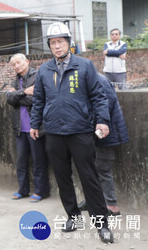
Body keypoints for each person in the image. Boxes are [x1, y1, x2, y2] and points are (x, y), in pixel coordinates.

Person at [30, 22, 113, 244]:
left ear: (69, 43)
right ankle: (73, 217)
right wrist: (35, 124)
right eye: (53, 43)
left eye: (61, 42)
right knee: (62, 177)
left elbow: (98, 96)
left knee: (89, 177)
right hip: (54, 132)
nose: (57, 46)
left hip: (81, 131)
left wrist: (103, 121)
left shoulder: (84, 66)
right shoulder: (44, 70)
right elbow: (38, 100)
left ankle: (101, 223)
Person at [79, 74, 129, 216]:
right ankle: (94, 201)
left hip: (105, 132)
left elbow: (106, 104)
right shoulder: (89, 79)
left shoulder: (98, 80)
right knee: (92, 169)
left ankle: (112, 206)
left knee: (103, 169)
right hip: (93, 132)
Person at [6, 53, 50, 203]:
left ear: (27, 61)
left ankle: (40, 191)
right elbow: (9, 99)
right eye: (13, 64)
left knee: (39, 160)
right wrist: (24, 92)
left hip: (35, 127)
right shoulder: (15, 80)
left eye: (18, 62)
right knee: (21, 161)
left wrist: (17, 96)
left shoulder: (37, 76)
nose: (16, 66)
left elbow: (37, 97)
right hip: (20, 128)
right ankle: (22, 190)